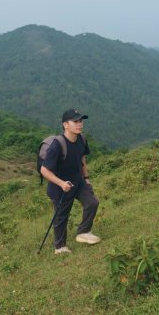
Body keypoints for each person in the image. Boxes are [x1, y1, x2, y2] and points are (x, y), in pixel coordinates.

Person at [40, 109, 101, 254]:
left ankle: (83, 232)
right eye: (76, 122)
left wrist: (86, 179)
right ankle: (60, 247)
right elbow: (44, 170)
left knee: (92, 202)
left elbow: (82, 158)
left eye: (81, 121)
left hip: (77, 181)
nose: (80, 124)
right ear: (65, 125)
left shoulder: (81, 139)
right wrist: (61, 183)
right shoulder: (57, 145)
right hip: (59, 187)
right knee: (61, 217)